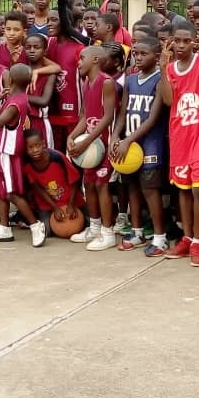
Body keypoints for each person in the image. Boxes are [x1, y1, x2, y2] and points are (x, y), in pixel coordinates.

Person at [160, 23, 199, 267]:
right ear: (171, 42)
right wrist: (163, 69)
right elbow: (168, 100)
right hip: (180, 136)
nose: (182, 46)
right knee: (182, 189)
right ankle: (186, 238)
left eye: (186, 41)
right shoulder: (171, 68)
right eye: (177, 41)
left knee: (198, 190)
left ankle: (197, 241)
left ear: (195, 41)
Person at [111, 37, 167, 254]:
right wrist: (116, 136)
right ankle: (137, 231)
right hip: (129, 144)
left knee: (150, 190)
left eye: (144, 53)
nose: (139, 57)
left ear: (157, 55)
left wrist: (128, 140)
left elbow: (153, 118)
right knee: (132, 187)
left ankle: (160, 237)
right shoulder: (131, 79)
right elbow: (123, 111)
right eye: (136, 53)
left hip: (150, 143)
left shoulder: (161, 79)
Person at [0, 64, 47, 246]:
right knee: (0, 192)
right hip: (0, 150)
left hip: (8, 151)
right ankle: (4, 228)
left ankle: (36, 225)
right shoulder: (16, 98)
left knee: (11, 193)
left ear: (10, 80)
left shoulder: (15, 103)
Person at [67, 46, 119, 250]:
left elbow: (107, 118)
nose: (78, 62)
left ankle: (108, 232)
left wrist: (86, 142)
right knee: (88, 184)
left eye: (81, 58)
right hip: (90, 145)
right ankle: (94, 227)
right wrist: (72, 136)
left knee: (101, 185)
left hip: (103, 144)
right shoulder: (87, 81)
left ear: (95, 59)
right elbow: (86, 116)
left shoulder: (106, 82)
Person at [23, 128, 85, 236]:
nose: (35, 150)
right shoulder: (27, 166)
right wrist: (55, 208)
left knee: (86, 222)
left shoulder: (57, 157)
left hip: (71, 200)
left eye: (37, 145)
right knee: (47, 232)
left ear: (43, 144)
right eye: (30, 148)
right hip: (48, 205)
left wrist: (70, 205)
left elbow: (74, 180)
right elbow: (38, 189)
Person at [47, 0, 87, 151]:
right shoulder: (48, 43)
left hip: (74, 116)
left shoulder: (80, 49)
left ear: (65, 22)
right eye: (48, 20)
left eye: (54, 20)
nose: (49, 24)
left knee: (73, 156)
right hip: (52, 112)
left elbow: (87, 84)